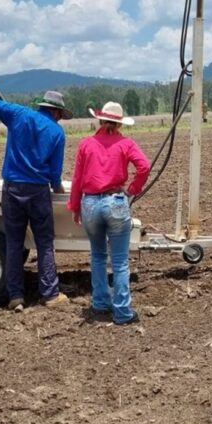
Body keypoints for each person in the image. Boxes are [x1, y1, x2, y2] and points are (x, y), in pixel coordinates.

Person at [0, 54, 69, 311]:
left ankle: (16, 296)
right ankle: (50, 294)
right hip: (37, 192)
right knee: (44, 243)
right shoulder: (57, 132)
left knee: (14, 243)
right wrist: (58, 188)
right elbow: (54, 173)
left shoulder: (18, 114)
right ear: (57, 112)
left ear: (41, 106)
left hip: (13, 189)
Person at [68, 101, 150, 326]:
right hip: (115, 201)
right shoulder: (126, 143)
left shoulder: (86, 144)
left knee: (97, 255)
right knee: (120, 261)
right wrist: (132, 190)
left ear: (100, 120)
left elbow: (77, 178)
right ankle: (122, 312)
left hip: (91, 204)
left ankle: (100, 303)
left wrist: (75, 206)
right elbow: (144, 166)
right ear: (119, 123)